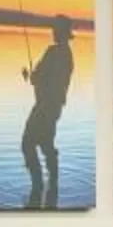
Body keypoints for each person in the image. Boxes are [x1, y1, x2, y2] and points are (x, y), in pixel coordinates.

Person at [20, 18, 75, 210]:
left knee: (27, 143)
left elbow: (40, 77)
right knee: (45, 144)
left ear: (59, 32)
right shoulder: (68, 55)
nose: (52, 32)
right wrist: (36, 78)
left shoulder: (54, 53)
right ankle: (52, 186)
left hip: (44, 107)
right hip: (54, 108)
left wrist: (31, 76)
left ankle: (38, 185)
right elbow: (49, 79)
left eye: (55, 29)